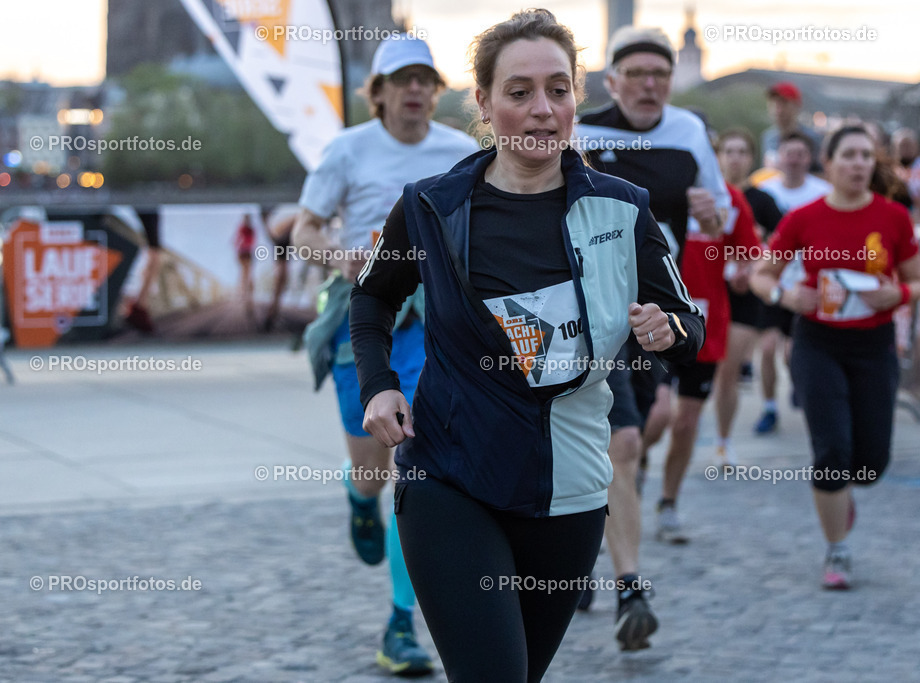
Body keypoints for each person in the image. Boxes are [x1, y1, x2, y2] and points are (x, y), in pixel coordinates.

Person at [350, 10, 705, 680]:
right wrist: (379, 384)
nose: (543, 109)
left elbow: (688, 324)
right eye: (519, 92)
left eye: (558, 90)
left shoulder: (623, 208)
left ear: (575, 98)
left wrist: (670, 331)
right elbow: (370, 298)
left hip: (569, 493)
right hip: (449, 479)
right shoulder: (430, 207)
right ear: (484, 102)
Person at [292, 35, 478, 676]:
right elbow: (303, 229)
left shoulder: (458, 151)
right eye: (402, 80)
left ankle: (401, 623)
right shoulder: (347, 149)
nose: (416, 90)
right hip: (364, 317)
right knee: (374, 469)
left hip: (433, 321)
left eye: (425, 79)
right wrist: (340, 256)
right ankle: (356, 492)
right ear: (379, 92)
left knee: (412, 467)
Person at [572, 24, 729, 645]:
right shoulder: (582, 133)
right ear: (612, 81)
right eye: (635, 74)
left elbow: (717, 212)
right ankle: (629, 586)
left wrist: (714, 216)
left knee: (639, 433)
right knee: (625, 440)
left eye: (660, 74)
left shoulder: (689, 131)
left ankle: (599, 531)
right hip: (593, 312)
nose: (648, 85)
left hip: (659, 310)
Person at [750, 125, 920, 589]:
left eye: (866, 155)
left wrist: (897, 294)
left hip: (874, 346)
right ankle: (837, 550)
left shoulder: (893, 217)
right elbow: (761, 277)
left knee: (870, 463)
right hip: (817, 344)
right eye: (848, 155)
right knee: (831, 451)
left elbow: (919, 283)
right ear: (827, 164)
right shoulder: (803, 218)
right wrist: (788, 296)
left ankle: (843, 494)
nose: (859, 163)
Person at [659, 182, 761, 519]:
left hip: (703, 324)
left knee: (686, 422)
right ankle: (634, 467)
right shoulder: (654, 185)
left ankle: (668, 502)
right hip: (651, 318)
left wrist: (745, 271)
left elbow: (750, 254)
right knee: (657, 415)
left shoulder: (729, 198)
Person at [712, 129, 783, 465]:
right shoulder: (706, 195)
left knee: (727, 371)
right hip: (705, 291)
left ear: (751, 158)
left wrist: (755, 264)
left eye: (742, 152)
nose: (735, 158)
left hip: (744, 297)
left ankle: (723, 442)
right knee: (700, 373)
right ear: (718, 156)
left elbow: (784, 245)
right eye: (729, 151)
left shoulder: (763, 201)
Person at [753, 131, 832, 434]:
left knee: (793, 352)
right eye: (789, 153)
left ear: (809, 158)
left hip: (808, 284)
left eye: (800, 153)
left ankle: (800, 387)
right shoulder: (764, 191)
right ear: (779, 157)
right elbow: (752, 233)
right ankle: (769, 408)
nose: (794, 159)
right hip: (774, 279)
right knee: (767, 348)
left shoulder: (823, 192)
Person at [760, 82, 822, 172]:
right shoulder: (768, 137)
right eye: (774, 104)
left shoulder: (812, 138)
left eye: (784, 103)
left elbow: (820, 173)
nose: (778, 110)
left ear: (797, 106)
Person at [891, 128, 920, 224]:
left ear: (917, 146)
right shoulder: (890, 171)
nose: (905, 149)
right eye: (902, 145)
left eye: (908, 145)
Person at [234, 214, 256, 319]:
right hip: (247, 252)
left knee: (244, 274)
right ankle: (246, 294)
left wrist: (237, 248)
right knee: (247, 274)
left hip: (243, 252)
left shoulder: (242, 228)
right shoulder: (251, 229)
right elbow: (252, 241)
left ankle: (243, 293)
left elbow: (237, 240)